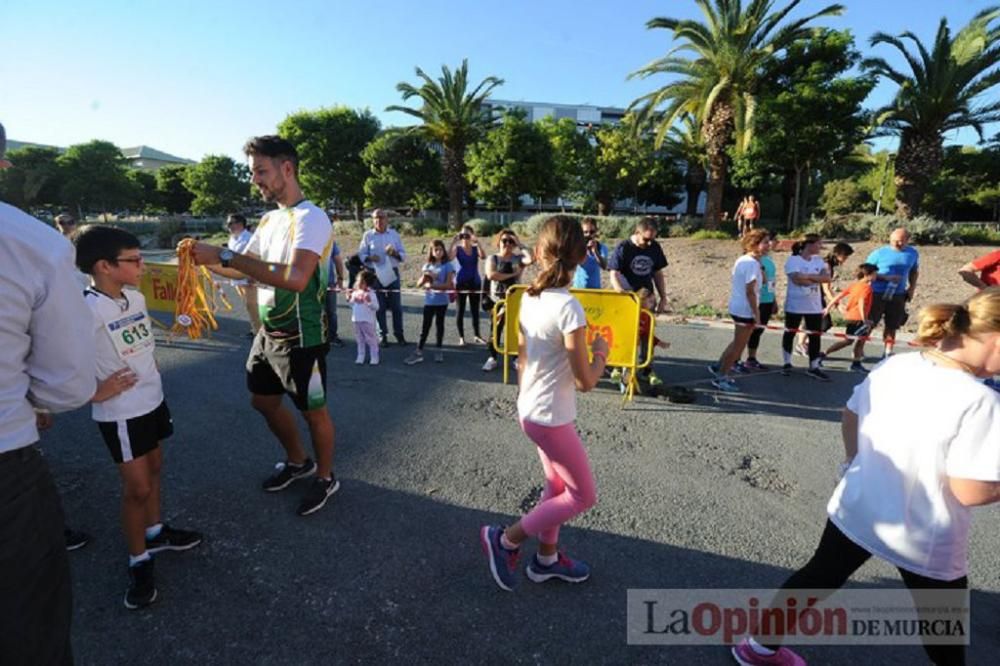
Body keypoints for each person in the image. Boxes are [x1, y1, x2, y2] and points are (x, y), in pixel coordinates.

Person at [732, 288, 1000, 666]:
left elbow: (850, 414)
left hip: (858, 505)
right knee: (942, 621)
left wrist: (854, 462)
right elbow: (970, 491)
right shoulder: (983, 402)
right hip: (924, 532)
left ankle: (757, 648)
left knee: (816, 578)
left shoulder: (900, 364)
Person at [187, 135, 339, 517]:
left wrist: (225, 255)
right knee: (262, 401)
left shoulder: (312, 217)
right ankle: (297, 460)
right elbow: (239, 264)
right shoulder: (270, 220)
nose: (255, 179)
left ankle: (325, 477)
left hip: (304, 338)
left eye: (260, 170)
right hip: (268, 333)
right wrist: (201, 257)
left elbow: (297, 278)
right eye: (253, 171)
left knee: (314, 411)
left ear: (286, 169)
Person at [0, 120, 97, 665]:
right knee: (27, 632)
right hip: (5, 466)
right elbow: (66, 384)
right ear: (3, 163)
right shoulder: (31, 243)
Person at [75, 225, 203, 610]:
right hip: (121, 413)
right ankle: (138, 558)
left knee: (156, 467)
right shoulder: (85, 309)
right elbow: (61, 361)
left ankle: (155, 531)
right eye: (133, 260)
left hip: (153, 400)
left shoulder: (133, 297)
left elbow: (141, 340)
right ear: (104, 266)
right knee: (137, 489)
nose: (142, 265)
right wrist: (96, 391)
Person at [480, 215, 606, 591]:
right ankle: (505, 540)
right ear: (582, 257)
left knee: (556, 487)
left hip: (531, 409)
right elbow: (585, 381)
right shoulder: (569, 308)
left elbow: (522, 359)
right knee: (583, 495)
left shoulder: (529, 297)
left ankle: (546, 559)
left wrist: (527, 400)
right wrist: (601, 353)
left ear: (537, 253)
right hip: (551, 417)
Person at [709, 230, 770, 393]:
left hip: (738, 305)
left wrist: (761, 263)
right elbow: (750, 291)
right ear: (754, 244)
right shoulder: (750, 263)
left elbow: (763, 280)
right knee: (738, 346)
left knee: (737, 341)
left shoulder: (749, 261)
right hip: (745, 308)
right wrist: (756, 314)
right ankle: (721, 376)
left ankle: (718, 366)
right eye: (765, 242)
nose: (769, 245)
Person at [781, 234, 831, 380]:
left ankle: (814, 366)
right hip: (795, 304)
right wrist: (814, 278)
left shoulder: (818, 260)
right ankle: (786, 362)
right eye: (818, 244)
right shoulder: (793, 260)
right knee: (790, 332)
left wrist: (808, 276)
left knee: (815, 335)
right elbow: (797, 279)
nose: (820, 247)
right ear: (808, 245)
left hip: (814, 306)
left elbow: (826, 278)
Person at [864, 228, 920, 358]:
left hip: (898, 293)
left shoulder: (913, 253)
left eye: (900, 241)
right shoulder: (879, 253)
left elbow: (914, 271)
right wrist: (886, 278)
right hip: (877, 292)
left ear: (907, 240)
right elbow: (864, 272)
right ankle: (859, 350)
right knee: (870, 323)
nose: (896, 244)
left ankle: (888, 351)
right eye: (894, 241)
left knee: (892, 324)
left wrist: (912, 288)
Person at [482, 229, 532, 372]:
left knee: (515, 330)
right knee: (495, 329)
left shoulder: (518, 259)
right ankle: (492, 357)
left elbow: (530, 259)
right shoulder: (493, 258)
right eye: (505, 241)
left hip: (514, 300)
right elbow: (491, 275)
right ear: (499, 242)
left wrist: (520, 244)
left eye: (511, 241)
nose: (508, 244)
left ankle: (515, 357)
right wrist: (514, 274)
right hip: (496, 300)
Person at [795, 242, 853, 356]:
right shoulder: (826, 266)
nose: (845, 260)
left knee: (824, 323)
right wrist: (836, 304)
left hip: (815, 295)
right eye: (845, 257)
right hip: (812, 296)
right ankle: (801, 344)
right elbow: (826, 288)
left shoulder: (827, 265)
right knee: (821, 322)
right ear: (838, 254)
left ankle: (805, 343)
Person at [359, 209, 407, 346]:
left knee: (396, 307)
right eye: (375, 218)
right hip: (375, 274)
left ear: (387, 219)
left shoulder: (394, 235)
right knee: (379, 307)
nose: (378, 220)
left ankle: (399, 335)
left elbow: (403, 255)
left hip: (392, 272)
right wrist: (369, 257)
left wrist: (394, 253)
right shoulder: (368, 235)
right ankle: (382, 336)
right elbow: (361, 255)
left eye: (381, 217)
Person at [820, 263, 877, 373]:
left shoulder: (855, 285)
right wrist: (864, 319)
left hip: (851, 317)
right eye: (874, 274)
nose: (876, 276)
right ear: (867, 275)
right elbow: (861, 303)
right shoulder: (866, 288)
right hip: (858, 318)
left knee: (854, 340)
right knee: (854, 341)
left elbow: (839, 296)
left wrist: (828, 307)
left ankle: (855, 363)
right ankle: (823, 354)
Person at [406, 240, 456, 365]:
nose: (438, 252)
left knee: (440, 326)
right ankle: (418, 351)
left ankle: (439, 349)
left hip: (442, 301)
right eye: (436, 250)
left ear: (444, 251)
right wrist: (425, 277)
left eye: (440, 249)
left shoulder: (448, 266)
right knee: (425, 326)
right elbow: (418, 284)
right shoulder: (427, 266)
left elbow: (449, 285)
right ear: (432, 252)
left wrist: (433, 285)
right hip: (429, 301)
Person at [608, 217, 670, 312]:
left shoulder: (655, 247)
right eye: (646, 239)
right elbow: (613, 273)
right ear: (637, 233)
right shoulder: (624, 247)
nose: (649, 243)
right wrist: (620, 291)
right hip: (628, 298)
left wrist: (663, 298)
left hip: (647, 300)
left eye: (652, 239)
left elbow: (658, 273)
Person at [742, 235, 778, 371]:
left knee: (759, 331)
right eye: (767, 242)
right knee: (748, 331)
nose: (771, 244)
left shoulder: (769, 260)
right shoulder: (753, 260)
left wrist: (773, 299)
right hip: (757, 300)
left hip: (767, 300)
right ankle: (735, 360)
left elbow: (771, 282)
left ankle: (751, 358)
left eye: (771, 241)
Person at [225, 214, 262, 338]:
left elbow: (257, 258)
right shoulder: (232, 238)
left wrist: (253, 275)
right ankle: (255, 328)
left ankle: (259, 331)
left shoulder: (250, 238)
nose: (229, 226)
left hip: (249, 277)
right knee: (248, 304)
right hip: (237, 277)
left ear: (240, 224)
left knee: (252, 305)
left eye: (231, 223)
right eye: (228, 224)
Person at [449, 224, 487, 345]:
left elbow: (484, 256)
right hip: (461, 283)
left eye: (467, 235)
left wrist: (478, 242)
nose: (464, 237)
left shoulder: (475, 249)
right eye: (462, 235)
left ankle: (477, 335)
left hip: (475, 282)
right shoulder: (458, 249)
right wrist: (453, 242)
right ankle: (461, 337)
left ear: (471, 236)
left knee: (475, 310)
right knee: (460, 310)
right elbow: (449, 258)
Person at [348, 270, 379, 365]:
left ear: (368, 284)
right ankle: (360, 356)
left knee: (371, 339)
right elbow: (351, 305)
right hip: (356, 320)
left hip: (367, 321)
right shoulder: (355, 292)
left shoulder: (371, 294)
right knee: (359, 339)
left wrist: (369, 302)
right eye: (358, 281)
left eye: (361, 282)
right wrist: (349, 299)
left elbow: (376, 307)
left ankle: (374, 357)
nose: (358, 283)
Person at [572, 217, 608, 289]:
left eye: (591, 232)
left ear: (596, 232)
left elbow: (604, 266)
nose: (588, 234)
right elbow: (579, 262)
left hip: (595, 289)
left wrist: (595, 252)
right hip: (578, 288)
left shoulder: (602, 247)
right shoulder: (576, 247)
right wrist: (585, 249)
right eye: (585, 232)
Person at [325, 239, 346, 347]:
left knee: (331, 312)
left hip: (329, 282)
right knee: (313, 311)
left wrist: (340, 278)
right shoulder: (308, 239)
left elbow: (338, 259)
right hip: (311, 284)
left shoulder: (330, 242)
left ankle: (332, 337)